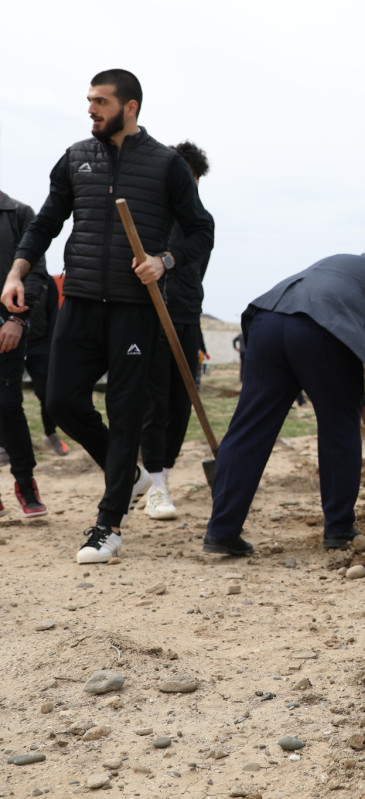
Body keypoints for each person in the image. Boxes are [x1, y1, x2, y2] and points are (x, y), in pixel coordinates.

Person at [2, 69, 214, 564]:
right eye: (89, 100)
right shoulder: (76, 158)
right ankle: (132, 476)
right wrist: (16, 273)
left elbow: (200, 229)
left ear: (130, 106)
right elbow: (46, 224)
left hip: (134, 309)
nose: (91, 109)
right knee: (60, 399)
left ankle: (108, 525)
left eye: (100, 101)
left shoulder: (166, 165)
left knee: (125, 415)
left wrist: (165, 261)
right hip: (79, 301)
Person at [202, 253, 365, 555]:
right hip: (320, 331)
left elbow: (339, 315)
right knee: (339, 429)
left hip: (268, 319)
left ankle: (221, 531)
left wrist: (361, 399)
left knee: (250, 428)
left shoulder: (352, 267)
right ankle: (339, 529)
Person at [140, 141, 215, 521]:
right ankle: (153, 483)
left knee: (181, 402)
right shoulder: (150, 216)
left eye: (194, 180)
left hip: (185, 317)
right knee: (154, 401)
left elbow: (192, 274)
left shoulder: (200, 225)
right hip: (147, 317)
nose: (190, 186)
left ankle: (162, 476)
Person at [0, 190, 50, 517]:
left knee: (8, 405)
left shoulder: (17, 213)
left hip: (8, 328)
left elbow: (36, 270)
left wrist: (17, 319)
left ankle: (25, 482)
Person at [24, 273, 67, 457]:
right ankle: (4, 445)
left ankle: (50, 434)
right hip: (9, 343)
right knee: (6, 398)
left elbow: (54, 315)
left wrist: (52, 349)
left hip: (39, 345)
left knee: (47, 394)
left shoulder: (47, 281)